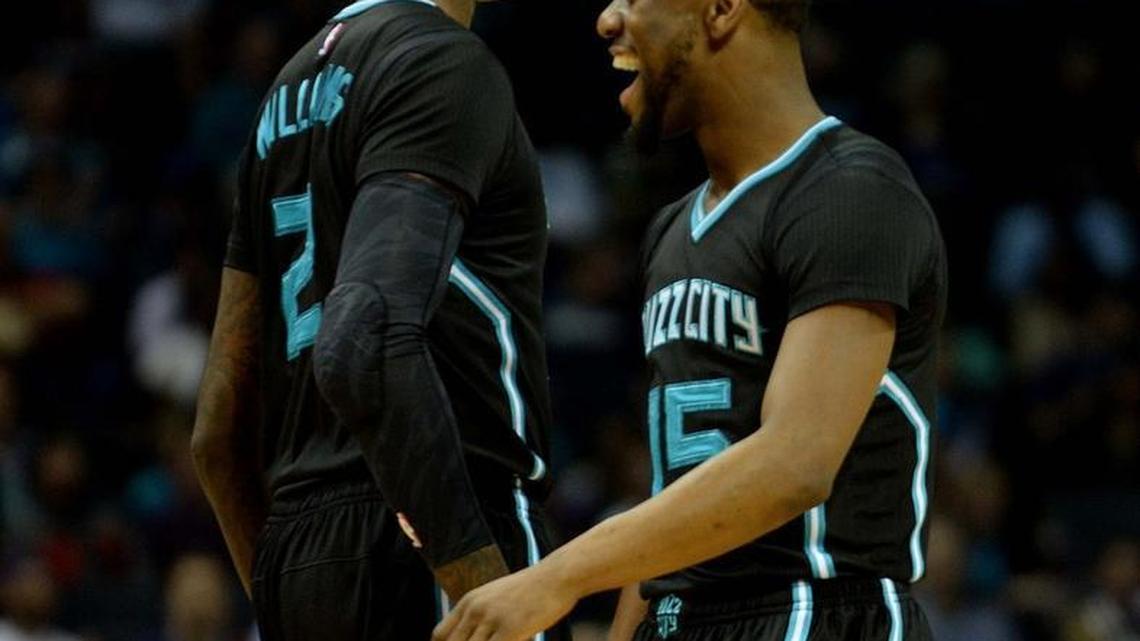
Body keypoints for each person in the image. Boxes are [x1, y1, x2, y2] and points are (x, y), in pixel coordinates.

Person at [433, 0, 948, 640]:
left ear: (721, 9)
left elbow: (795, 463)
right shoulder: (672, 229)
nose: (606, 20)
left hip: (814, 606)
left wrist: (555, 577)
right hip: (681, 617)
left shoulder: (850, 190)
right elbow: (673, 500)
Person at [191, 0, 566, 639]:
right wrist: (485, 593)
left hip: (294, 550)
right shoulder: (440, 59)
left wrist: (285, 586)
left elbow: (215, 432)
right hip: (437, 522)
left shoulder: (281, 95)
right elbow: (361, 342)